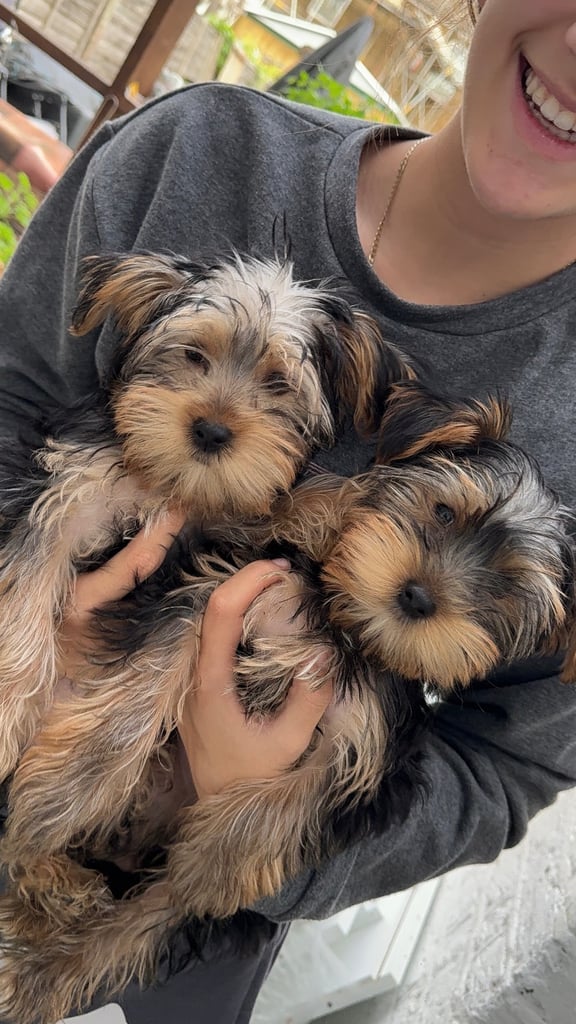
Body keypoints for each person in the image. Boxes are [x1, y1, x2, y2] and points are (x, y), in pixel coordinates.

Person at [2, 0, 576, 1019]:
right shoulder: (196, 154)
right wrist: (33, 630)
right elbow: (15, 400)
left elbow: (506, 765)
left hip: (206, 896)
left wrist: (247, 825)